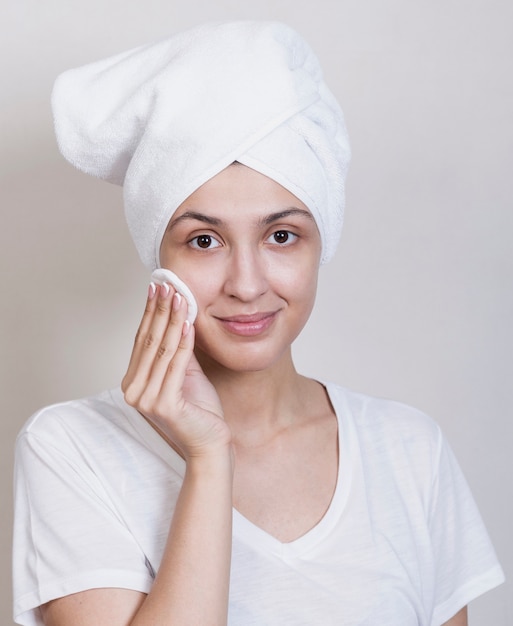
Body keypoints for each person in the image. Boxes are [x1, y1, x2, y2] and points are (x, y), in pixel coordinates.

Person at [12, 21, 504, 626]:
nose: (247, 283)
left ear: (320, 243)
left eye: (280, 235)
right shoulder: (72, 448)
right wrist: (210, 456)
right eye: (204, 239)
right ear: (160, 259)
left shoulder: (408, 451)